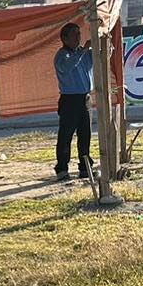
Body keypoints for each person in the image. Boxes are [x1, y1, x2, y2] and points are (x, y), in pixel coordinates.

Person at [53, 22, 94, 181]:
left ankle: (85, 166)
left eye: (79, 34)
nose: (78, 37)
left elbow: (97, 59)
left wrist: (104, 45)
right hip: (70, 100)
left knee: (85, 134)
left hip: (84, 98)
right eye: (74, 34)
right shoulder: (62, 55)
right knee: (66, 135)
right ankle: (62, 168)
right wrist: (84, 50)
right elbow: (67, 67)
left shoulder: (82, 54)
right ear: (65, 38)